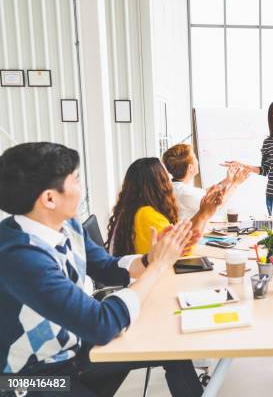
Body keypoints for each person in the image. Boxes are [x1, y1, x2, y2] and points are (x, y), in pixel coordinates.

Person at [0, 142, 206, 396]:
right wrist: (160, 266)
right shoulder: (19, 256)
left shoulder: (69, 227)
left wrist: (150, 259)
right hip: (29, 378)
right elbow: (101, 324)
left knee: (174, 349)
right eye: (75, 180)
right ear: (49, 198)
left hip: (74, 350)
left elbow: (107, 267)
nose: (81, 188)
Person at [107, 157, 248, 256]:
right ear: (157, 183)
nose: (169, 179)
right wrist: (204, 214)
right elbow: (184, 249)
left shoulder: (137, 209)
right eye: (165, 176)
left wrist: (203, 212)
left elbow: (178, 235)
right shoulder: (147, 215)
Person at [162, 143, 248, 220]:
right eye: (195, 158)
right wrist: (235, 184)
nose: (197, 161)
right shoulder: (185, 192)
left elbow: (204, 193)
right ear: (190, 168)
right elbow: (215, 205)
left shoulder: (175, 186)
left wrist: (227, 181)